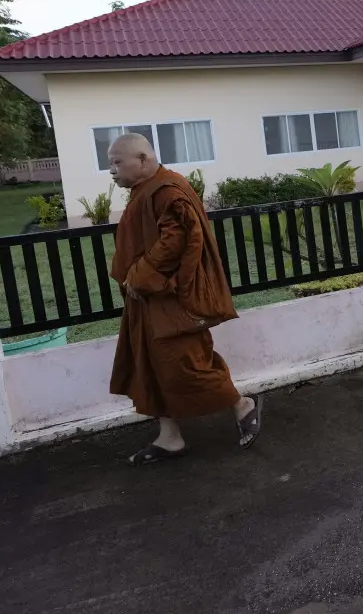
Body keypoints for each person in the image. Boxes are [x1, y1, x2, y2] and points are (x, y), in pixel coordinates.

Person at [106, 133, 263, 463]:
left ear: (144, 159)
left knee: (186, 365)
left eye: (118, 162)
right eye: (111, 164)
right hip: (147, 301)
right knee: (147, 365)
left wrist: (140, 275)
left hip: (169, 298)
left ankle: (242, 404)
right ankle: (170, 437)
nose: (113, 171)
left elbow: (178, 239)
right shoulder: (145, 190)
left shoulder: (167, 190)